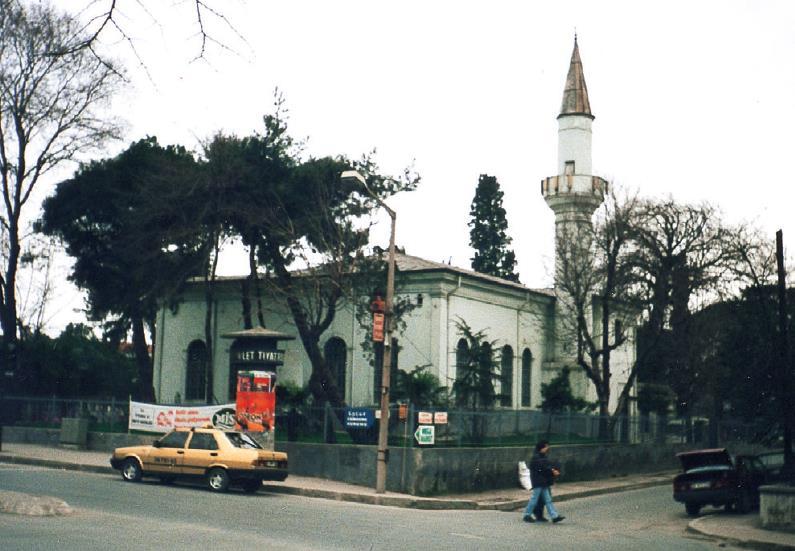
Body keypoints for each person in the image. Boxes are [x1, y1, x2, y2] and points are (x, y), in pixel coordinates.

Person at [523, 440, 565, 523]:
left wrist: (552, 470)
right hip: (539, 481)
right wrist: (552, 471)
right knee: (535, 499)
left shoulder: (542, 456)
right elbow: (543, 467)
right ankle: (527, 515)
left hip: (543, 481)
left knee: (547, 499)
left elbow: (546, 466)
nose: (547, 448)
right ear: (541, 448)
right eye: (546, 446)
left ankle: (554, 516)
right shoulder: (536, 457)